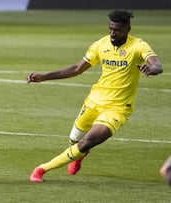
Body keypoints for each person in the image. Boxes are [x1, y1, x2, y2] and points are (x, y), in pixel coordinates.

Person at [27, 10, 163, 182]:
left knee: (86, 142)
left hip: (118, 108)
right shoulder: (101, 44)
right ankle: (79, 155)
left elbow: (157, 64)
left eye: (117, 30)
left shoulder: (138, 46)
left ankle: (40, 170)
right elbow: (77, 69)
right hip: (94, 101)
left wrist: (152, 69)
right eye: (110, 29)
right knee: (74, 139)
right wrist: (44, 77)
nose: (113, 34)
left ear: (128, 29)